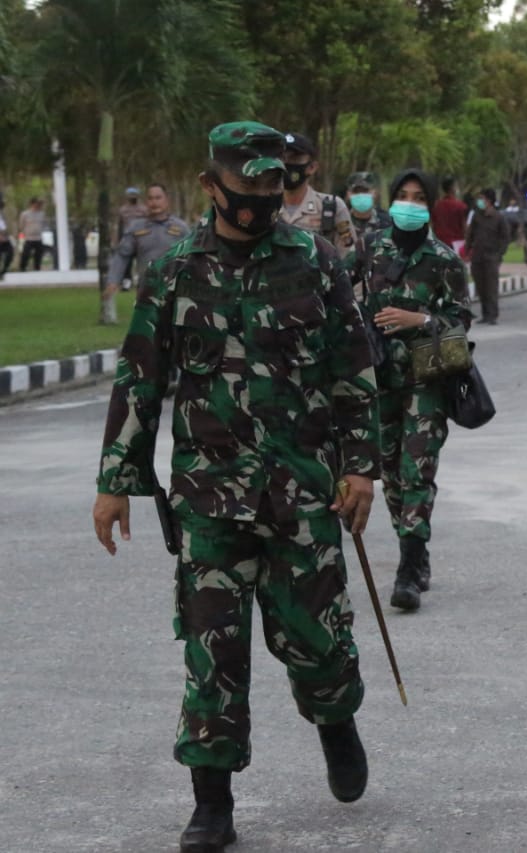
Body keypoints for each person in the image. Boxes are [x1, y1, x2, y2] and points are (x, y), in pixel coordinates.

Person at [90, 121, 378, 853]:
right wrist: (118, 480)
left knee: (316, 641)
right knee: (212, 652)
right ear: (211, 185)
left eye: (271, 185)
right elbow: (140, 377)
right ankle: (212, 801)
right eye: (245, 185)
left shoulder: (315, 259)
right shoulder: (177, 267)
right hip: (210, 498)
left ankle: (335, 717)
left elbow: (353, 366)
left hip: (303, 491)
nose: (259, 199)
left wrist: (361, 466)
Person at [360, 168, 470, 611]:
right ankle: (415, 549)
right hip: (379, 377)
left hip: (426, 376)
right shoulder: (371, 250)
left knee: (416, 467)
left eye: (417, 197)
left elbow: (461, 320)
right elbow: (346, 299)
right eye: (402, 196)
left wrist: (420, 320)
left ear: (429, 204)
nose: (409, 203)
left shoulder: (443, 258)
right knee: (388, 468)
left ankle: (408, 563)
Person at [102, 183, 190, 324]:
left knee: (174, 335)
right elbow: (122, 255)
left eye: (158, 198)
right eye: (150, 198)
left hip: (175, 293)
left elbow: (194, 257)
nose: (154, 202)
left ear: (166, 201)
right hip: (146, 292)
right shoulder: (136, 228)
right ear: (146, 203)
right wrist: (113, 281)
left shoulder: (181, 228)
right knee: (146, 334)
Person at [279, 132, 357, 259]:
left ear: (312, 167)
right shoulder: (265, 205)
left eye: (294, 158)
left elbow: (348, 257)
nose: (287, 164)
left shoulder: (332, 207)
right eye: (282, 158)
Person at [464, 187, 510, 325]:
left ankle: (492, 315)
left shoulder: (498, 217)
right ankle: (484, 314)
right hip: (477, 257)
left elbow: (505, 237)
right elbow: (470, 235)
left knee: (491, 287)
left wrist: (499, 253)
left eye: (482, 198)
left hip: (491, 257)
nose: (479, 201)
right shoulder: (477, 216)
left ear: (489, 201)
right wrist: (467, 249)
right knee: (481, 286)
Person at [345, 171, 392, 245]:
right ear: (348, 194)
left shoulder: (387, 222)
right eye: (356, 191)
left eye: (365, 191)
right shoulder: (340, 221)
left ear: (374, 193)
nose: (360, 195)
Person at [432, 177, 469, 253]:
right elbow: (464, 228)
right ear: (452, 188)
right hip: (456, 246)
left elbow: (433, 225)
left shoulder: (436, 206)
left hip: (440, 245)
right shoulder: (461, 206)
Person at [18, 198, 46, 271]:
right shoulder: (25, 214)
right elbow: (21, 225)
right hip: (28, 238)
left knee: (39, 254)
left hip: (38, 238)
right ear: (32, 204)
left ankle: (37, 268)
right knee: (26, 254)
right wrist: (23, 233)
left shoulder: (41, 214)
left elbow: (43, 224)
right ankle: (22, 268)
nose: (38, 205)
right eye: (36, 204)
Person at [0, 203, 12, 280]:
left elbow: (4, 227)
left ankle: (3, 272)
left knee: (10, 253)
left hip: (4, 238)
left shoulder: (2, 215)